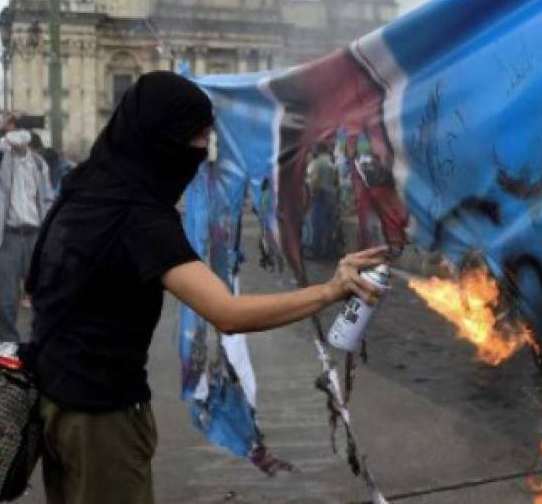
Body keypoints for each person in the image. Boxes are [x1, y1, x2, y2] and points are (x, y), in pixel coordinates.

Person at [28, 72, 384, 504]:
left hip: (52, 401)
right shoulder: (141, 218)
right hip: (101, 417)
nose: (203, 151)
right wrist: (330, 291)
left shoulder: (84, 189)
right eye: (196, 138)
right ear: (162, 137)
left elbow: (36, 289)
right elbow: (226, 313)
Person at [0, 114, 54, 343]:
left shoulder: (38, 163)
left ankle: (39, 345)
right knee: (4, 301)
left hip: (34, 237)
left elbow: (47, 199)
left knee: (43, 295)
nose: (18, 134)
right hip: (3, 238)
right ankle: (9, 349)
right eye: (14, 129)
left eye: (22, 129)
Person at [307, 143, 340, 258]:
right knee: (330, 224)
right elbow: (336, 179)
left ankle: (317, 251)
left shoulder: (318, 162)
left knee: (318, 224)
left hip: (320, 194)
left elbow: (315, 180)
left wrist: (311, 193)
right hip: (331, 193)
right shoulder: (332, 161)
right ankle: (329, 251)